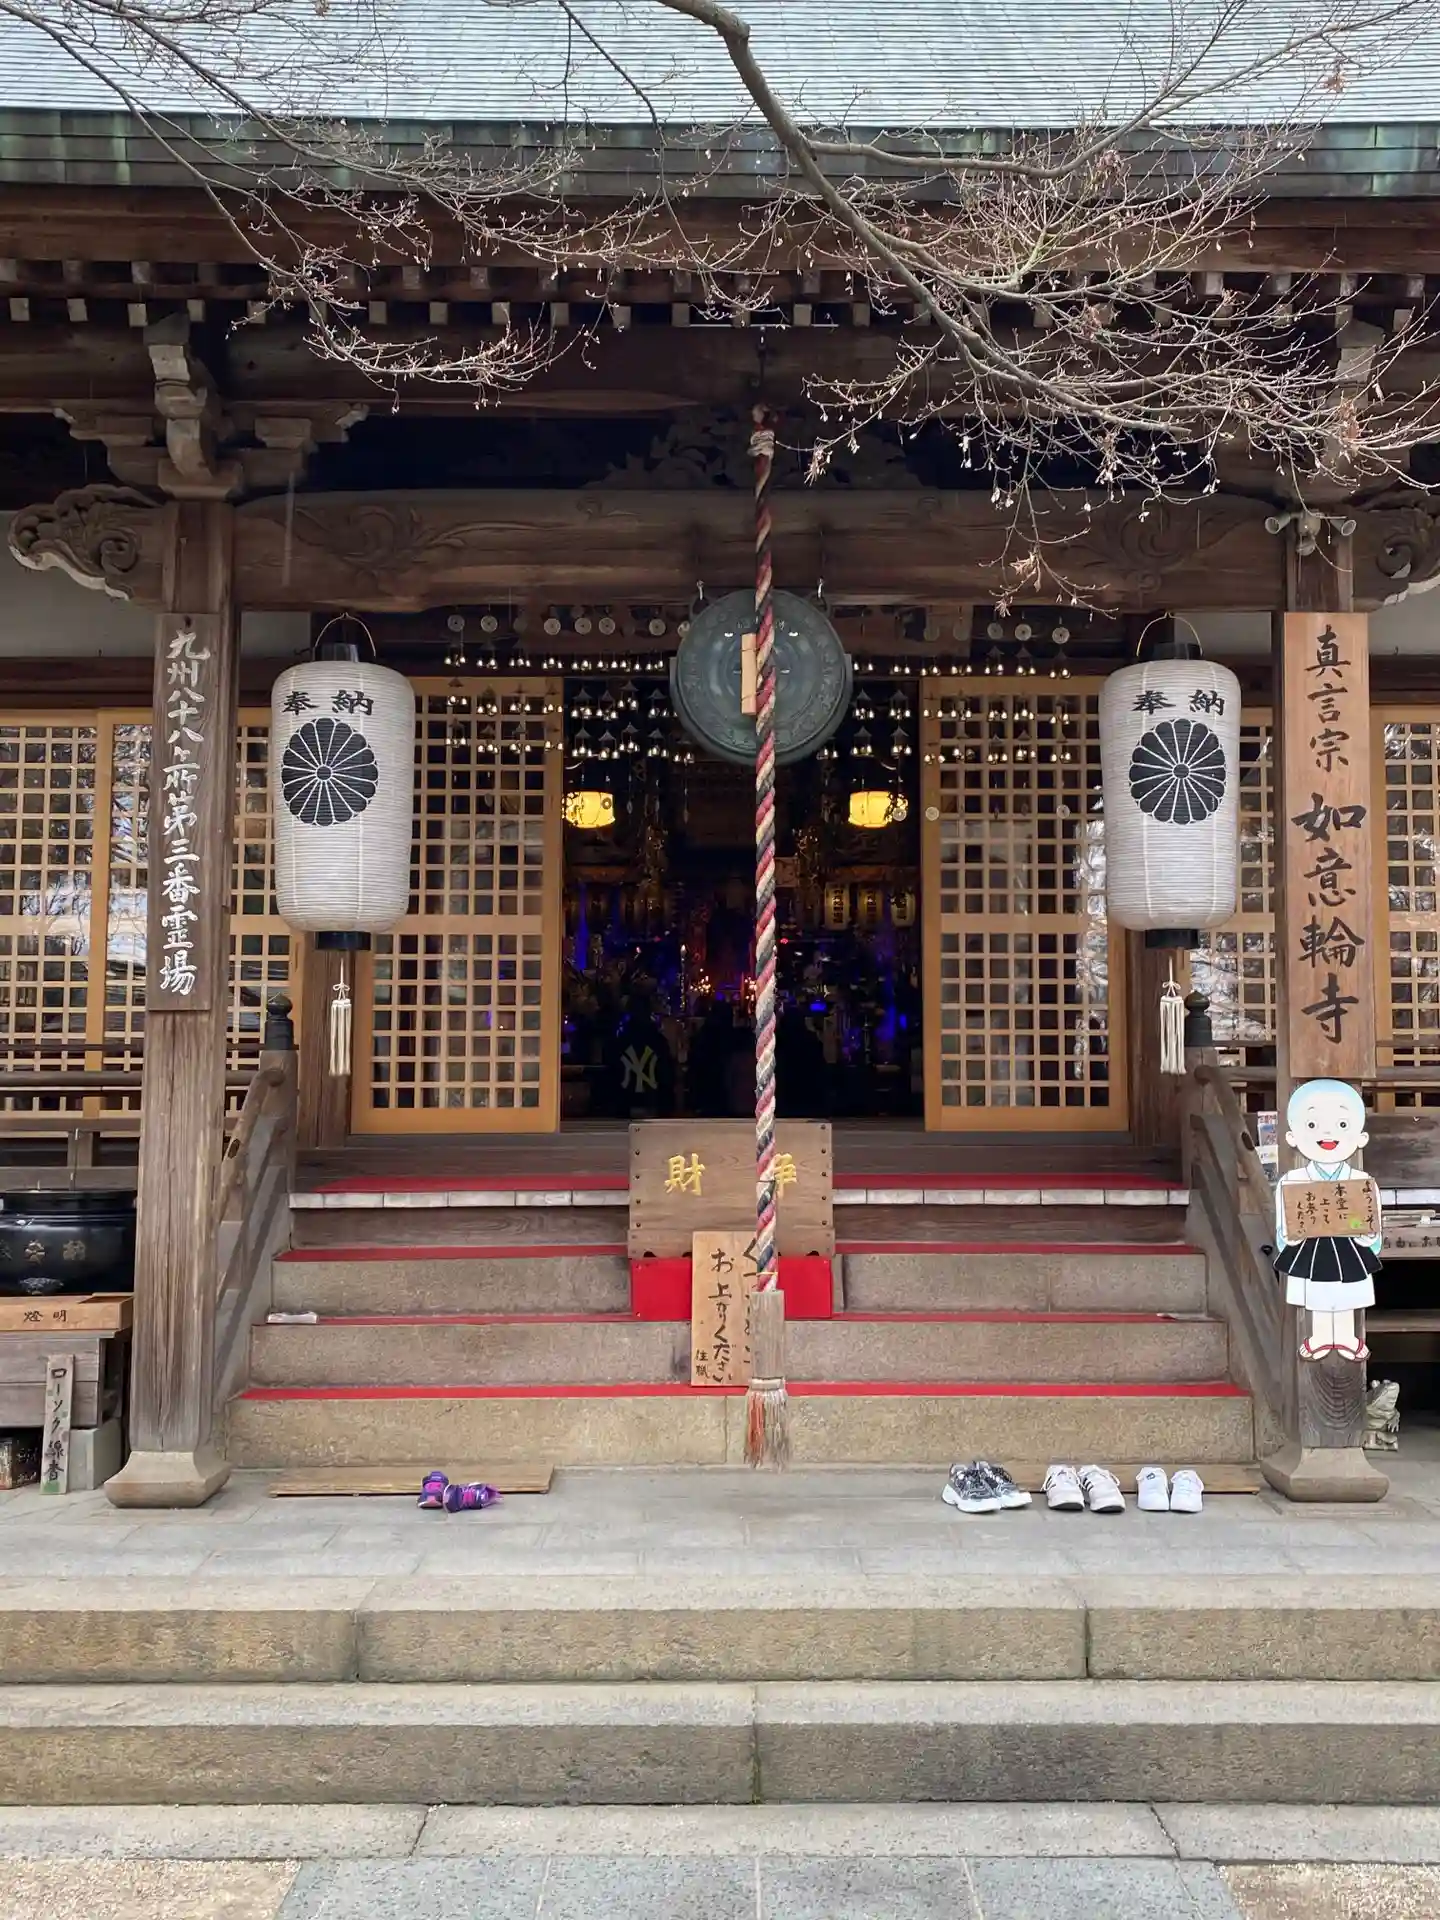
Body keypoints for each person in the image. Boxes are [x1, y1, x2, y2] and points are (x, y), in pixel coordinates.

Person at [1273, 1078, 1382, 1363]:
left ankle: (1346, 1336)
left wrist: (1367, 1236)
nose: (1327, 1133)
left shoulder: (1361, 1181)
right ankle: (1320, 1336)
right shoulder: (1293, 1181)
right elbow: (1283, 1226)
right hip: (1311, 1248)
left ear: (1361, 1137)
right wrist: (1290, 1236)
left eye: (1342, 1124)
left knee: (1346, 1291)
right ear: (1292, 1137)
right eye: (1312, 1125)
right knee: (1317, 1291)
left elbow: (1373, 1226)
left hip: (1349, 1246)